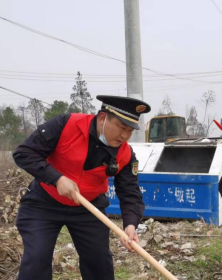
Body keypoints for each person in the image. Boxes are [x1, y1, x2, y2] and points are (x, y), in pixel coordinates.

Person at [13, 95, 151, 280]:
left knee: (99, 263)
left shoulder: (125, 154)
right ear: (103, 118)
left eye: (130, 131)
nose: (124, 136)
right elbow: (24, 153)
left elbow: (130, 192)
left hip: (89, 208)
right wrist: (57, 178)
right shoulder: (66, 125)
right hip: (44, 204)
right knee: (36, 259)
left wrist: (131, 224)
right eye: (121, 127)